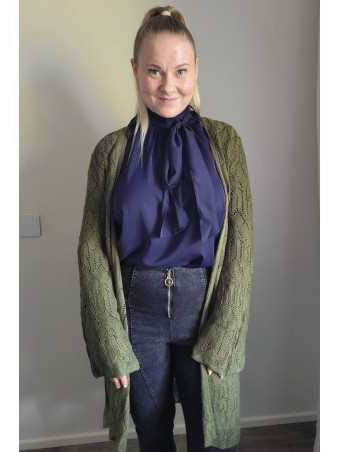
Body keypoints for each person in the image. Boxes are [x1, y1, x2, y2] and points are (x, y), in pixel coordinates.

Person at [78, 5, 253, 452]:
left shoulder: (225, 143)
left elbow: (241, 243)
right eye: (155, 70)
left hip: (205, 310)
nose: (168, 85)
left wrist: (226, 332)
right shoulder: (110, 152)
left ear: (196, 69)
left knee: (210, 438)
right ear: (136, 70)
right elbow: (92, 250)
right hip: (137, 316)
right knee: (153, 434)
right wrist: (110, 340)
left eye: (180, 71)